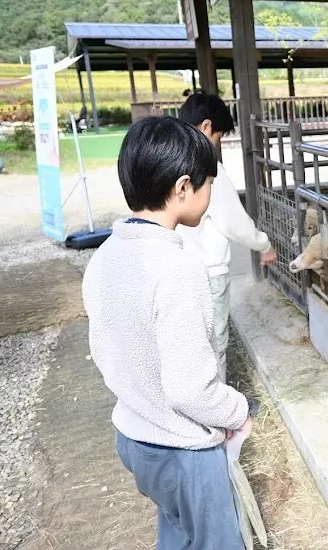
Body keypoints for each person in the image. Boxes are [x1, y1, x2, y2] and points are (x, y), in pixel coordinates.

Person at [83, 116, 251, 549]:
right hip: (182, 451)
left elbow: (106, 349)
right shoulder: (179, 270)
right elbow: (190, 391)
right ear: (182, 188)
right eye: (208, 183)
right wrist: (237, 410)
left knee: (176, 531)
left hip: (135, 437)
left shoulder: (105, 256)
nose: (210, 195)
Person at [176, 91, 277, 383]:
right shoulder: (208, 169)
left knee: (189, 343)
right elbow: (233, 221)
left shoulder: (169, 159)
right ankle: (217, 413)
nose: (216, 144)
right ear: (206, 127)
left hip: (178, 266)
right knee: (214, 343)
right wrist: (264, 244)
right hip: (209, 271)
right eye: (219, 136)